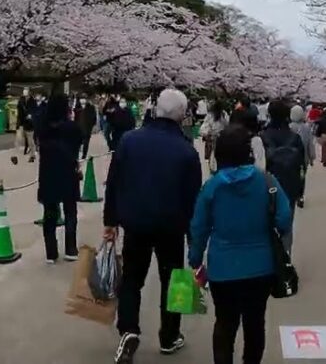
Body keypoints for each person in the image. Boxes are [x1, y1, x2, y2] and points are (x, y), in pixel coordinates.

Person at [104, 89, 202, 364]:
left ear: (156, 109)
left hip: (135, 222)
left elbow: (114, 182)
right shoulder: (187, 151)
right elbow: (193, 199)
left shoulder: (129, 141)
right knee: (174, 282)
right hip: (172, 226)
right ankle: (170, 336)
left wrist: (110, 221)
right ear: (182, 116)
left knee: (132, 279)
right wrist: (195, 239)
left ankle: (128, 330)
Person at [189, 125, 293, 364]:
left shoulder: (212, 187)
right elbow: (284, 220)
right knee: (255, 324)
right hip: (261, 266)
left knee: (225, 323)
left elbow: (198, 227)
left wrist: (195, 260)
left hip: (222, 268)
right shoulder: (266, 181)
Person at [37, 94, 81, 263]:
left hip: (48, 174)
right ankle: (70, 248)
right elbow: (79, 142)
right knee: (70, 211)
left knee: (49, 213)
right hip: (68, 173)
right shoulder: (72, 128)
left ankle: (51, 252)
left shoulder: (43, 128)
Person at [260, 101, 307, 249]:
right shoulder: (295, 138)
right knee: (286, 226)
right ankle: (285, 260)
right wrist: (300, 191)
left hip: (266, 187)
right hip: (289, 186)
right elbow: (302, 168)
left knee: (264, 226)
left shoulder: (262, 136)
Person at [289, 104, 316, 207]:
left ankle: (292, 193)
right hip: (302, 158)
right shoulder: (306, 128)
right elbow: (310, 143)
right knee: (302, 177)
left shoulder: (289, 127)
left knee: (291, 176)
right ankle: (300, 196)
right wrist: (312, 157)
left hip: (290, 158)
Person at [199, 100, 229, 173]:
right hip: (223, 139)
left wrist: (206, 134)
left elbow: (203, 129)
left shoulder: (210, 115)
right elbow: (228, 125)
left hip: (213, 139)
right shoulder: (224, 114)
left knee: (212, 157)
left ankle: (213, 172)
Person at [14, 88, 36, 165]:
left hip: (29, 123)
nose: (24, 92)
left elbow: (34, 111)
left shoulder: (33, 101)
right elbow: (18, 111)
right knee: (18, 139)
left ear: (29, 93)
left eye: (26, 91)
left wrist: (31, 115)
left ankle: (32, 155)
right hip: (21, 122)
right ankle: (15, 155)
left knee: (30, 140)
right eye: (23, 90)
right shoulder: (21, 100)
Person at [75, 95, 97, 160]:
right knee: (77, 143)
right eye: (82, 98)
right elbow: (75, 117)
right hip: (79, 128)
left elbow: (94, 118)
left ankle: (83, 156)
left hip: (87, 128)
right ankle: (76, 156)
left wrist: (92, 126)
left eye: (84, 98)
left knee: (86, 143)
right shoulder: (77, 107)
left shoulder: (91, 107)